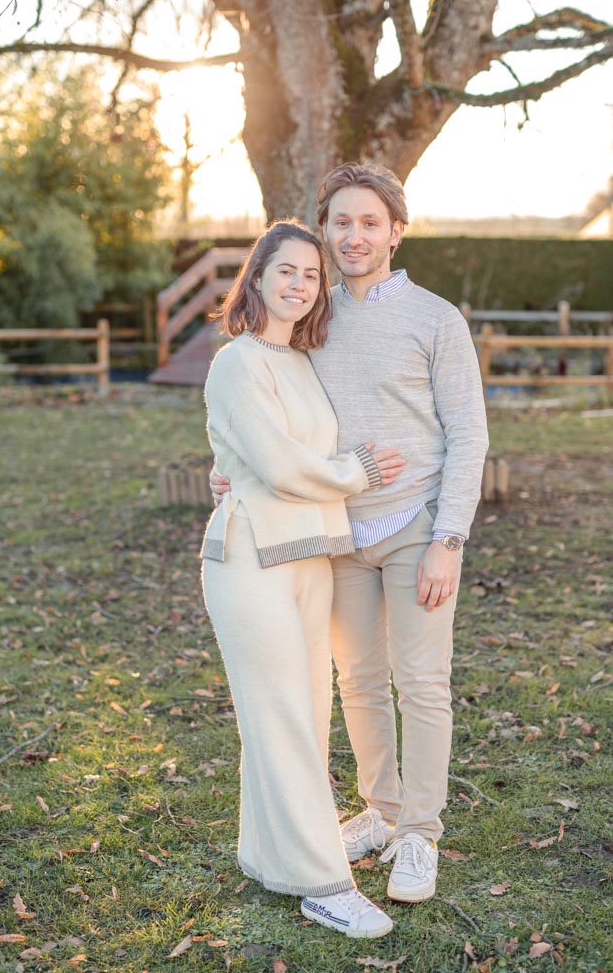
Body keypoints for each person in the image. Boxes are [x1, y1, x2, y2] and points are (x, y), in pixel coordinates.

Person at [211, 164, 489, 904]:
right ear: (326, 230)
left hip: (415, 526)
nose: (353, 235)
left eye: (369, 222)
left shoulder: (436, 319)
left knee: (420, 683)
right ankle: (382, 810)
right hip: (338, 532)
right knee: (357, 681)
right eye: (341, 222)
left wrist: (449, 539)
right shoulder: (313, 316)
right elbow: (270, 405)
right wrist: (232, 465)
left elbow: (468, 435)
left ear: (395, 232)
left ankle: (419, 833)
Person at [200, 218, 405, 939]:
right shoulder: (235, 362)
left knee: (303, 717)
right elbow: (282, 464)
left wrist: (229, 466)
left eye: (312, 275)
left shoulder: (300, 361)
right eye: (285, 269)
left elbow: (261, 453)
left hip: (311, 554)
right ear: (256, 277)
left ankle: (268, 856)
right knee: (281, 715)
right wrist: (355, 472)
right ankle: (324, 884)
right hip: (250, 559)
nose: (299, 283)